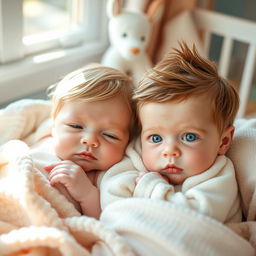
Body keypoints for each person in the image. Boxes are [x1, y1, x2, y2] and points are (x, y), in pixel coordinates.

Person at [100, 42, 241, 223]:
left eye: (189, 137)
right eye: (156, 138)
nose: (169, 151)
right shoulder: (136, 155)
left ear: (223, 141)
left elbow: (193, 218)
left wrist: (150, 187)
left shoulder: (218, 176)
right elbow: (111, 197)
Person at [29, 64, 135, 219]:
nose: (90, 141)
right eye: (76, 126)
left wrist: (87, 194)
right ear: (54, 125)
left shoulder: (105, 179)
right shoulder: (41, 143)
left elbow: (103, 222)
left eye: (109, 135)